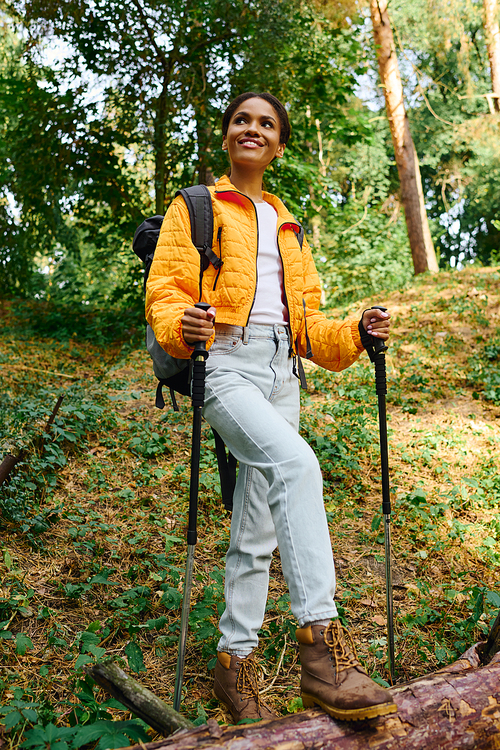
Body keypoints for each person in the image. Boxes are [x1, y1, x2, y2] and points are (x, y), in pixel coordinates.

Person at [146, 92, 396, 723]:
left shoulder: (289, 225)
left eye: (266, 124)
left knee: (256, 530)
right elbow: (165, 292)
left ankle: (232, 664)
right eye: (241, 120)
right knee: (297, 467)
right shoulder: (195, 207)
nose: (252, 129)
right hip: (225, 366)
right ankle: (321, 654)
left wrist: (357, 332)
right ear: (227, 136)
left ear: (278, 145)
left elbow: (308, 325)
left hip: (282, 372)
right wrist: (186, 325)